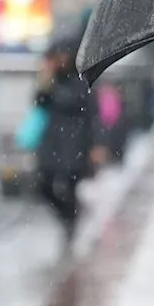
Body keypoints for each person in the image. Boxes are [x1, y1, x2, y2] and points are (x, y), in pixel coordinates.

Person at [33, 37, 105, 253]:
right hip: (53, 142)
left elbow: (93, 115)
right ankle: (66, 216)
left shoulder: (82, 81)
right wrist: (45, 80)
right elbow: (39, 103)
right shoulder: (51, 81)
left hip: (75, 143)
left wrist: (96, 145)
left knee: (72, 187)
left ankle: (71, 225)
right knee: (43, 185)